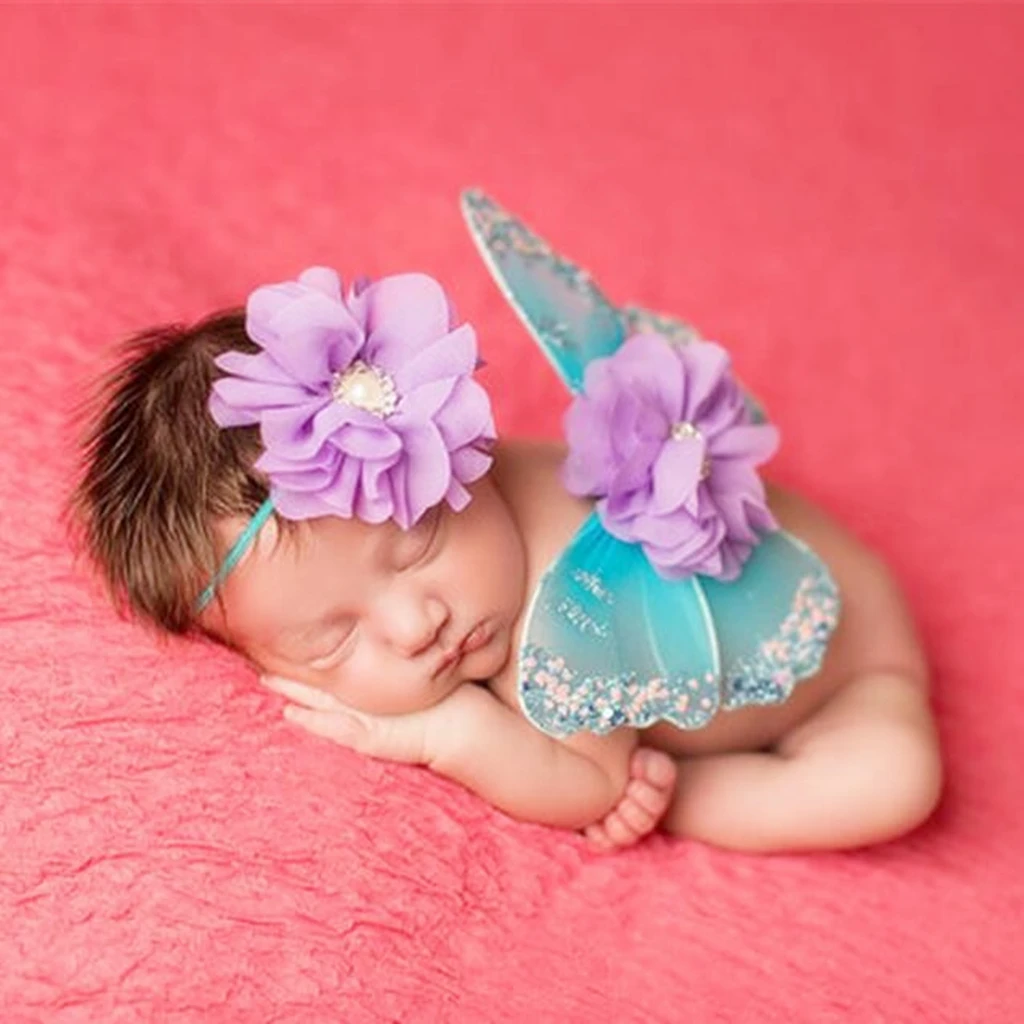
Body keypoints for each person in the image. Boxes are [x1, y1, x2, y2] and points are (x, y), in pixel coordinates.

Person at [71, 192, 942, 854]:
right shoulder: (484, 530)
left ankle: (691, 792)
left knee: (894, 783)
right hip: (805, 565)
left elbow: (586, 783)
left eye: (419, 543)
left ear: (461, 449)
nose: (418, 624)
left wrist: (449, 732)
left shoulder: (566, 612)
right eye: (332, 641)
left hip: (854, 674)